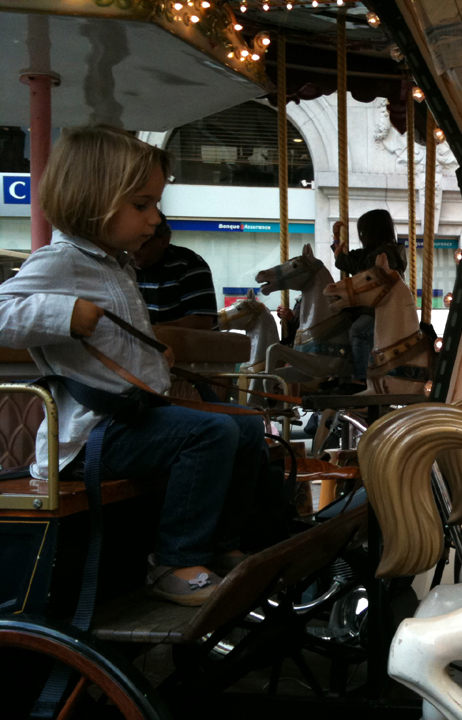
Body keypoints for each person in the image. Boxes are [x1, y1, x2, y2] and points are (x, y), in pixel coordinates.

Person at [0, 125, 264, 606]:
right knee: (209, 433)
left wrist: (153, 356)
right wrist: (62, 314)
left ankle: (222, 545)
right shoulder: (62, 261)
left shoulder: (115, 264)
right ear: (93, 201)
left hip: (129, 422)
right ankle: (174, 561)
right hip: (88, 436)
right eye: (142, 205)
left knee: (246, 426)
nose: (155, 219)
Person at [331, 210, 407, 381]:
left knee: (358, 331)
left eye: (363, 232)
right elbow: (351, 258)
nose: (361, 236)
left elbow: (364, 271)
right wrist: (337, 240)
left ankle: (362, 378)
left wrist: (340, 258)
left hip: (381, 309)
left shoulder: (387, 253)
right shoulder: (372, 252)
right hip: (368, 308)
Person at [133, 211, 218, 330]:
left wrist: (148, 331)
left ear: (164, 241)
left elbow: (202, 323)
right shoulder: (124, 266)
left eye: (142, 243)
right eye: (131, 241)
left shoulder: (188, 264)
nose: (133, 249)